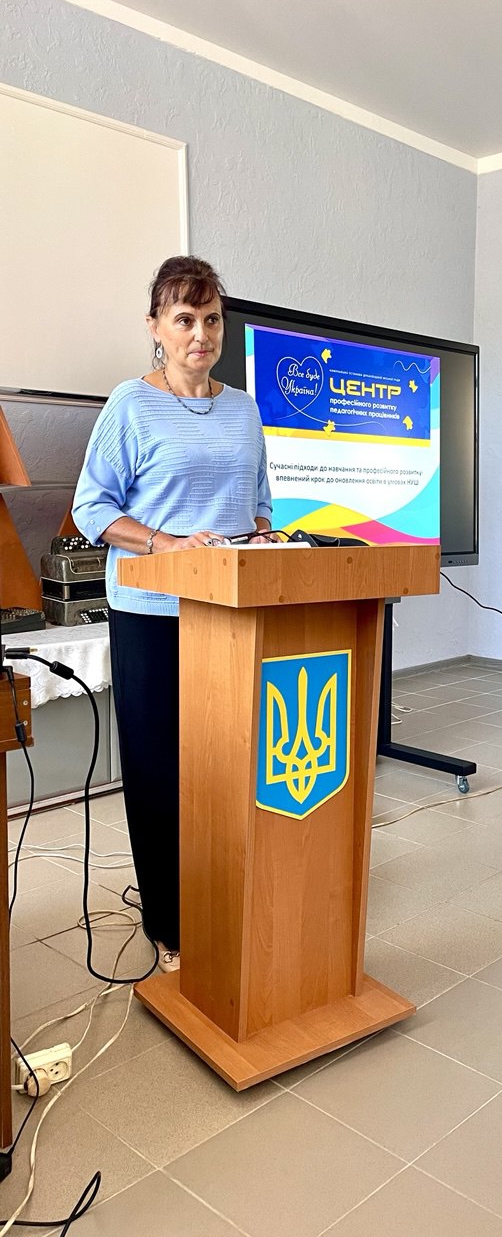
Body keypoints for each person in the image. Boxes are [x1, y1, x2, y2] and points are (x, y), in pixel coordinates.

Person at [73, 256, 273, 971]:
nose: (200, 334)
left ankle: (229, 897)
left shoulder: (244, 408)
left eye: (211, 319)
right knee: (162, 769)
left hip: (233, 610)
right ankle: (170, 922)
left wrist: (262, 533)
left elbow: (260, 501)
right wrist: (166, 543)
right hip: (153, 612)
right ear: (156, 327)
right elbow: (91, 508)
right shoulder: (130, 404)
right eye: (184, 319)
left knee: (229, 761)